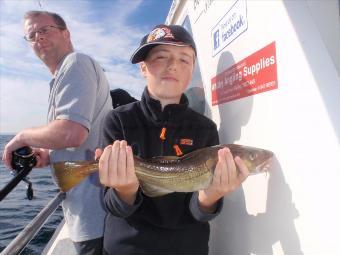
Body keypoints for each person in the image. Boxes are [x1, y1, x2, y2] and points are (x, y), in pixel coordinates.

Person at [97, 24, 249, 255]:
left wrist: (213, 194)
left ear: (192, 71)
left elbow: (198, 211)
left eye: (184, 60)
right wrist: (125, 190)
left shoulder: (205, 128)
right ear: (143, 68)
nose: (173, 66)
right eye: (160, 57)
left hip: (188, 248)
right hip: (127, 248)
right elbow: (111, 204)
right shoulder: (118, 120)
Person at [2, 11, 112, 254]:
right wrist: (49, 155)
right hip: (86, 211)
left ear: (66, 33)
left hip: (95, 215)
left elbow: (72, 133)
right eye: (31, 35)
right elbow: (78, 139)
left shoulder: (76, 63)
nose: (38, 38)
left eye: (44, 30)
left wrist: (21, 137)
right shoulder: (64, 75)